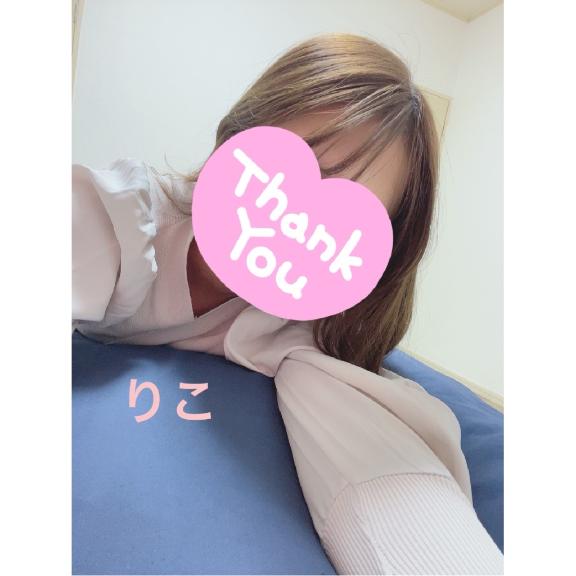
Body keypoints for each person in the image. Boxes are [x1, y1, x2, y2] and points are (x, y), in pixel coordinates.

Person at [72, 33, 503, 574]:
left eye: (348, 216)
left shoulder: (306, 340)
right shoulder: (126, 217)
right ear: (239, 134)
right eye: (298, 171)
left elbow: (390, 491)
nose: (299, 221)